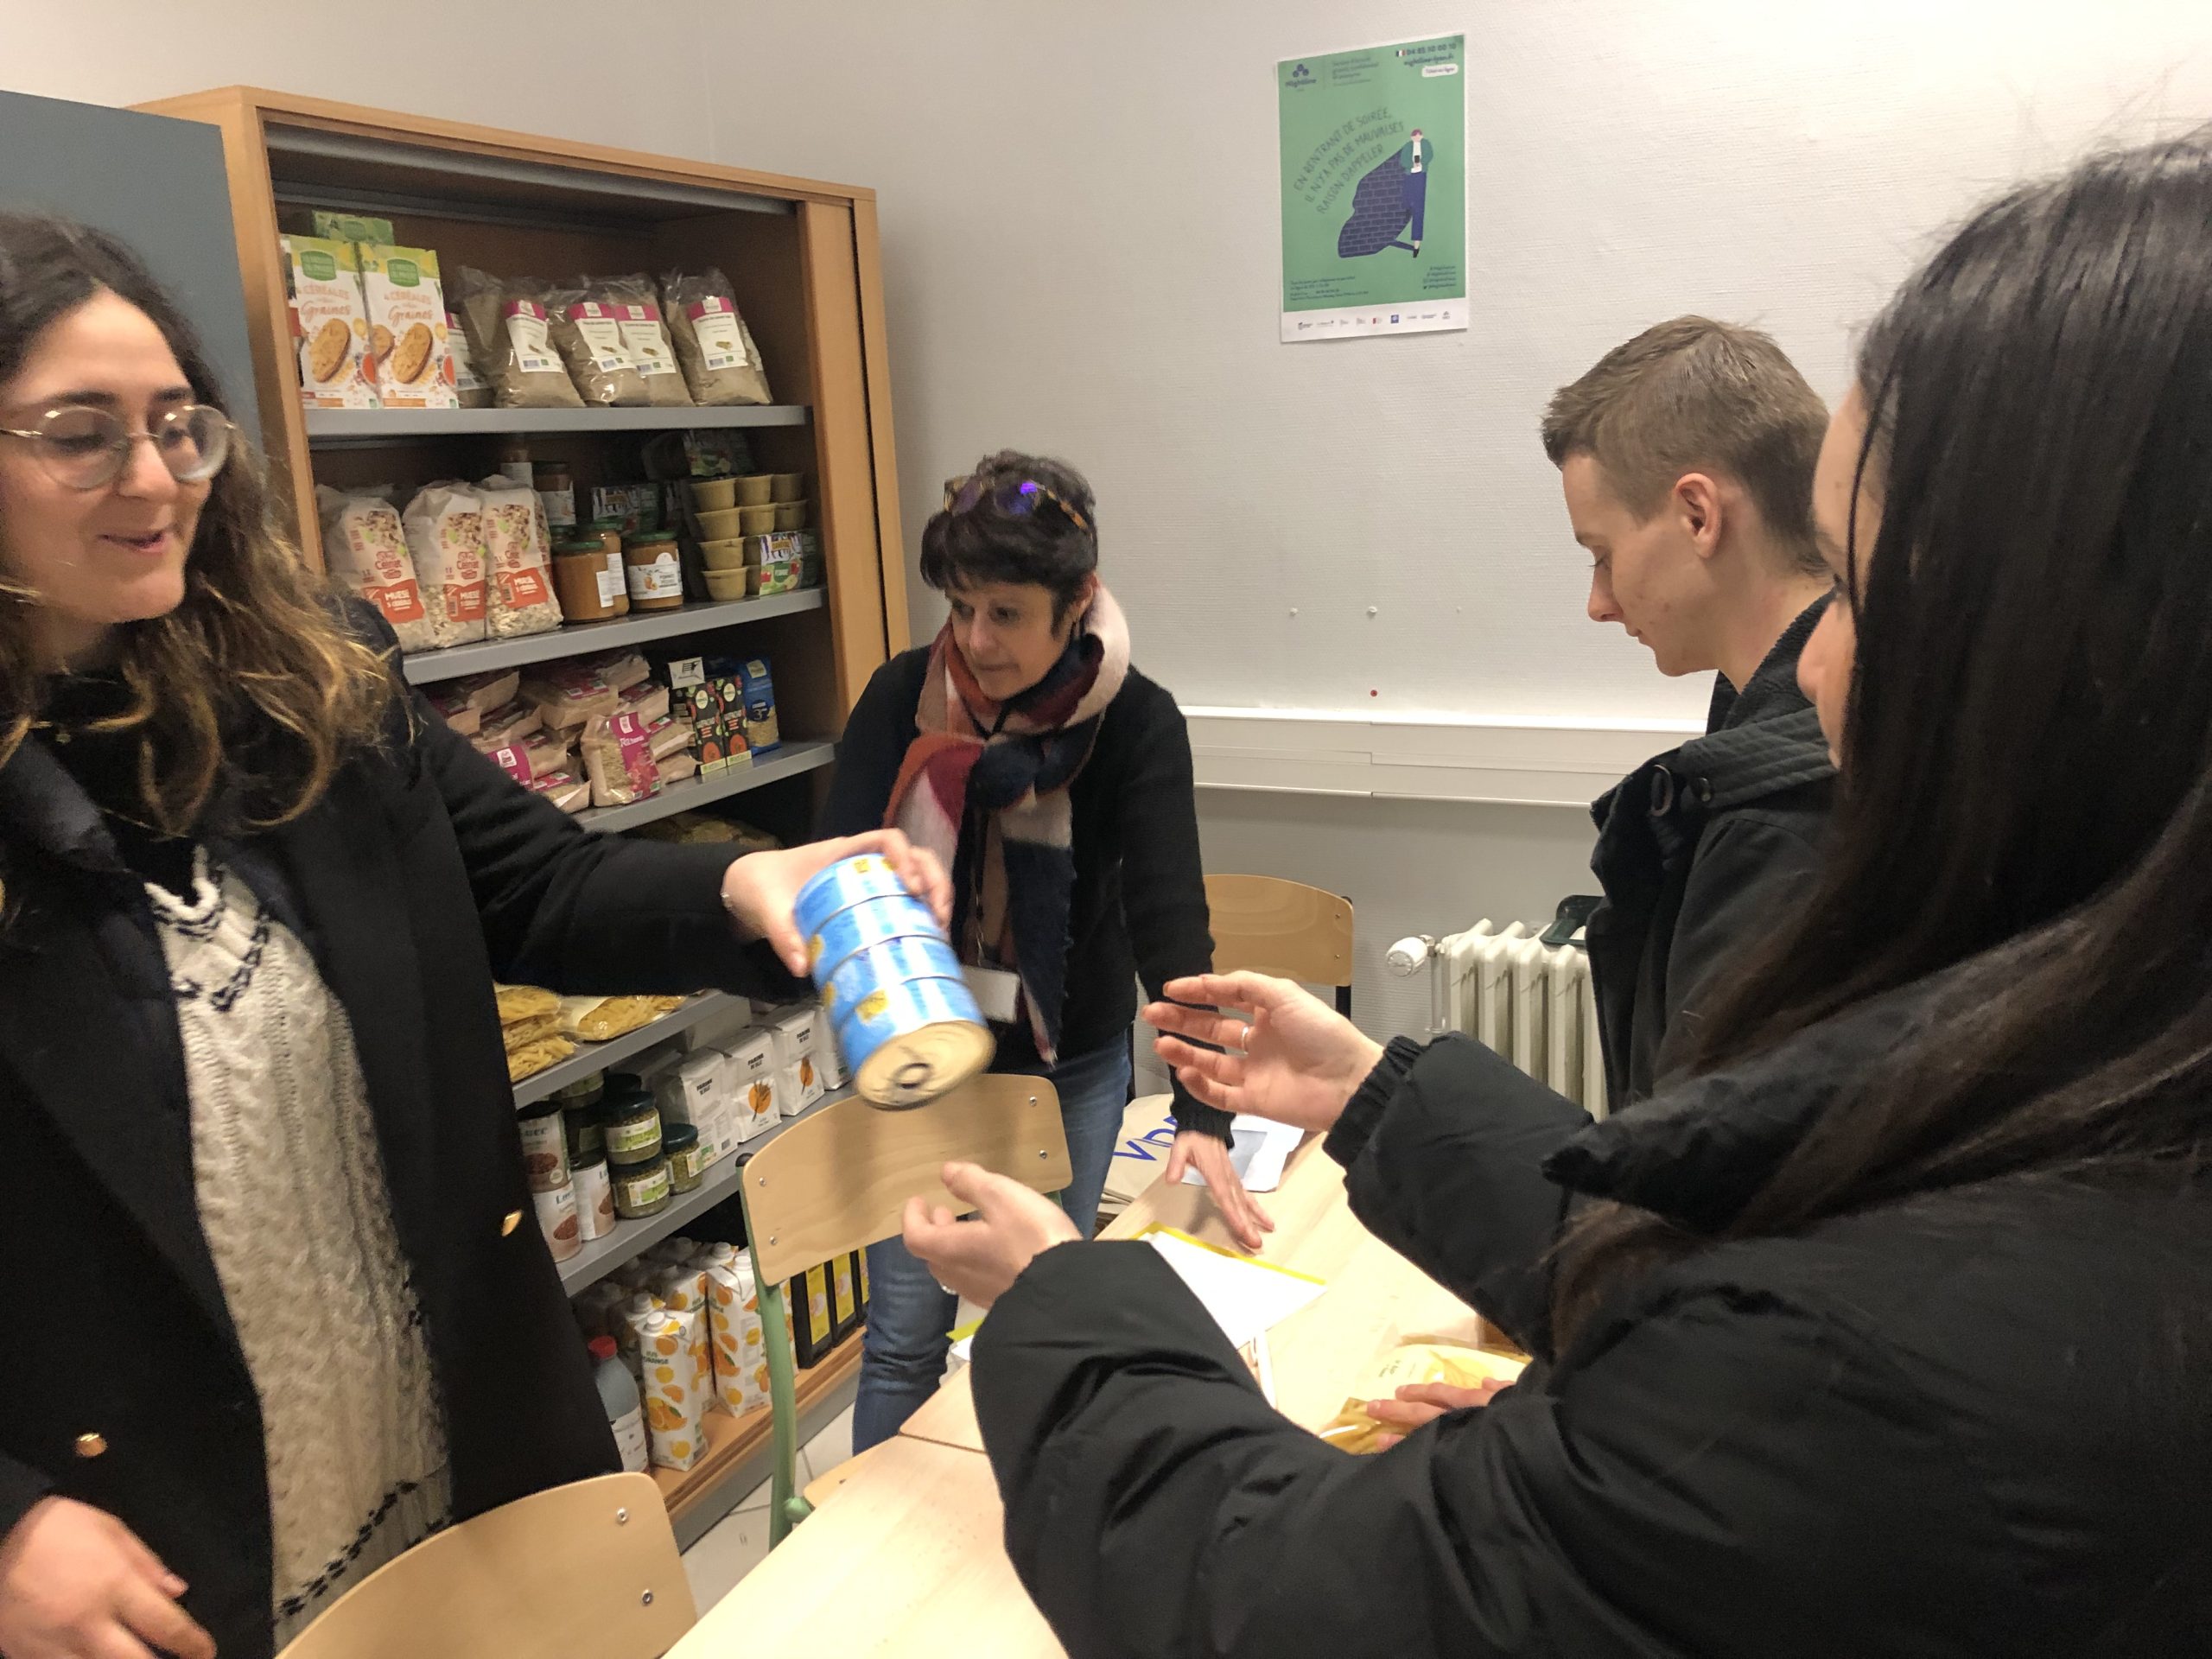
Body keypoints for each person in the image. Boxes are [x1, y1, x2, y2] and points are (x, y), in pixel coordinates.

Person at [908, 130, 2212, 1656]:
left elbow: (1294, 1597)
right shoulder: (2100, 1086)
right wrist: (1384, 1094)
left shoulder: (1896, 1355)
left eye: (1858, 585)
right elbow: (1726, 1231)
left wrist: (1070, 1303)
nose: (1828, 662)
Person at [0, 213, 947, 1659]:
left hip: (450, 1470)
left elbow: (535, 885)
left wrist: (748, 888)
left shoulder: (307, 674)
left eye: (177, 427)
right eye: (80, 434)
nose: (153, 479)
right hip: (162, 1556)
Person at [819, 449, 1261, 1452]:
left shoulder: (1137, 723)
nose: (975, 640)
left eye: (1006, 612)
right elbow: (835, 870)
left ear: (1078, 601)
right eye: (961, 607)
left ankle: (1039, 1542)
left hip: (1070, 1062)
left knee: (1045, 1321)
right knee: (901, 1341)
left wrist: (1203, 1110)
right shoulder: (901, 700)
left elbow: (1169, 920)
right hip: (915, 1061)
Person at [1544, 315, 1835, 1105]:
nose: (1599, 603)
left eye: (1602, 555)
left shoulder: (1785, 824)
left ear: (1699, 516)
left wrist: (1384, 1092)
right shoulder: (1767, 731)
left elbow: (1694, 1188)